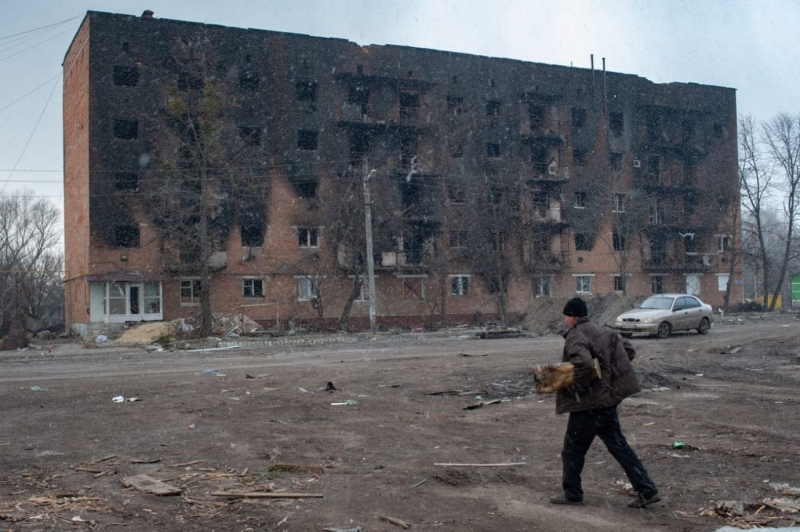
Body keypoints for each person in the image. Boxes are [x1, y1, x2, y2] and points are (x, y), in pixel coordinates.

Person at [549, 296, 661, 509]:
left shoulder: (575, 336)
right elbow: (629, 351)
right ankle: (647, 490)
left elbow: (581, 365)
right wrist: (607, 373)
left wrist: (576, 388)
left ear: (573, 317)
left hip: (590, 404)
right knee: (618, 445)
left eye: (566, 316)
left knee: (572, 449)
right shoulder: (606, 331)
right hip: (608, 401)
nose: (565, 320)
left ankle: (572, 493)